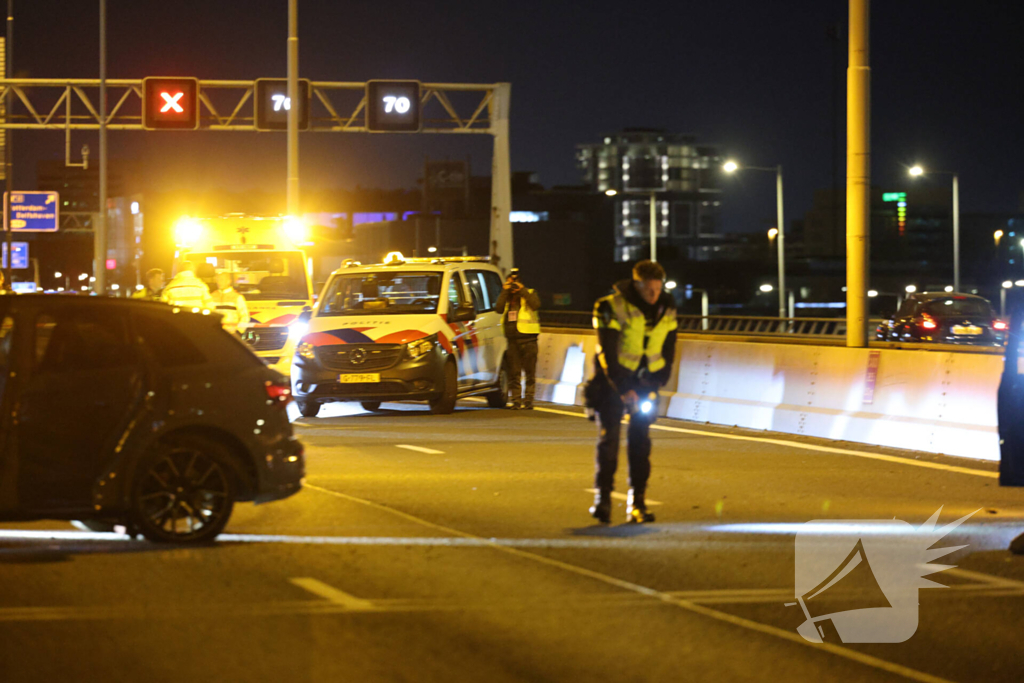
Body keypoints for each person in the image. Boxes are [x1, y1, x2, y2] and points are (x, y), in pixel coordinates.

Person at [588, 260, 678, 524]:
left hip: (646, 383)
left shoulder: (667, 306)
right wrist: (623, 388)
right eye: (649, 290)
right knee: (610, 441)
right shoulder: (610, 306)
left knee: (641, 443)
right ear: (637, 285)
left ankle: (637, 502)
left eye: (657, 289)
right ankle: (603, 500)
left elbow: (671, 342)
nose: (654, 295)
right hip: (613, 382)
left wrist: (662, 376)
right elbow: (607, 350)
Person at [494, 267, 541, 410]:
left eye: (514, 284)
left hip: (529, 340)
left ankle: (528, 401)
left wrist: (522, 290)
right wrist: (504, 290)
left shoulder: (529, 293)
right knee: (513, 373)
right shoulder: (507, 299)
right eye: (510, 284)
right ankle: (515, 401)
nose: (512, 287)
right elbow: (498, 308)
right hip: (512, 341)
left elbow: (536, 305)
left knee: (529, 373)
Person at [209, 271, 249, 335]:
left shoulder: (237, 297)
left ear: (228, 281)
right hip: (215, 334)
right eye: (218, 280)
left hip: (231, 334)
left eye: (221, 280)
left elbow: (245, 317)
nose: (219, 282)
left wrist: (238, 332)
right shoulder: (211, 296)